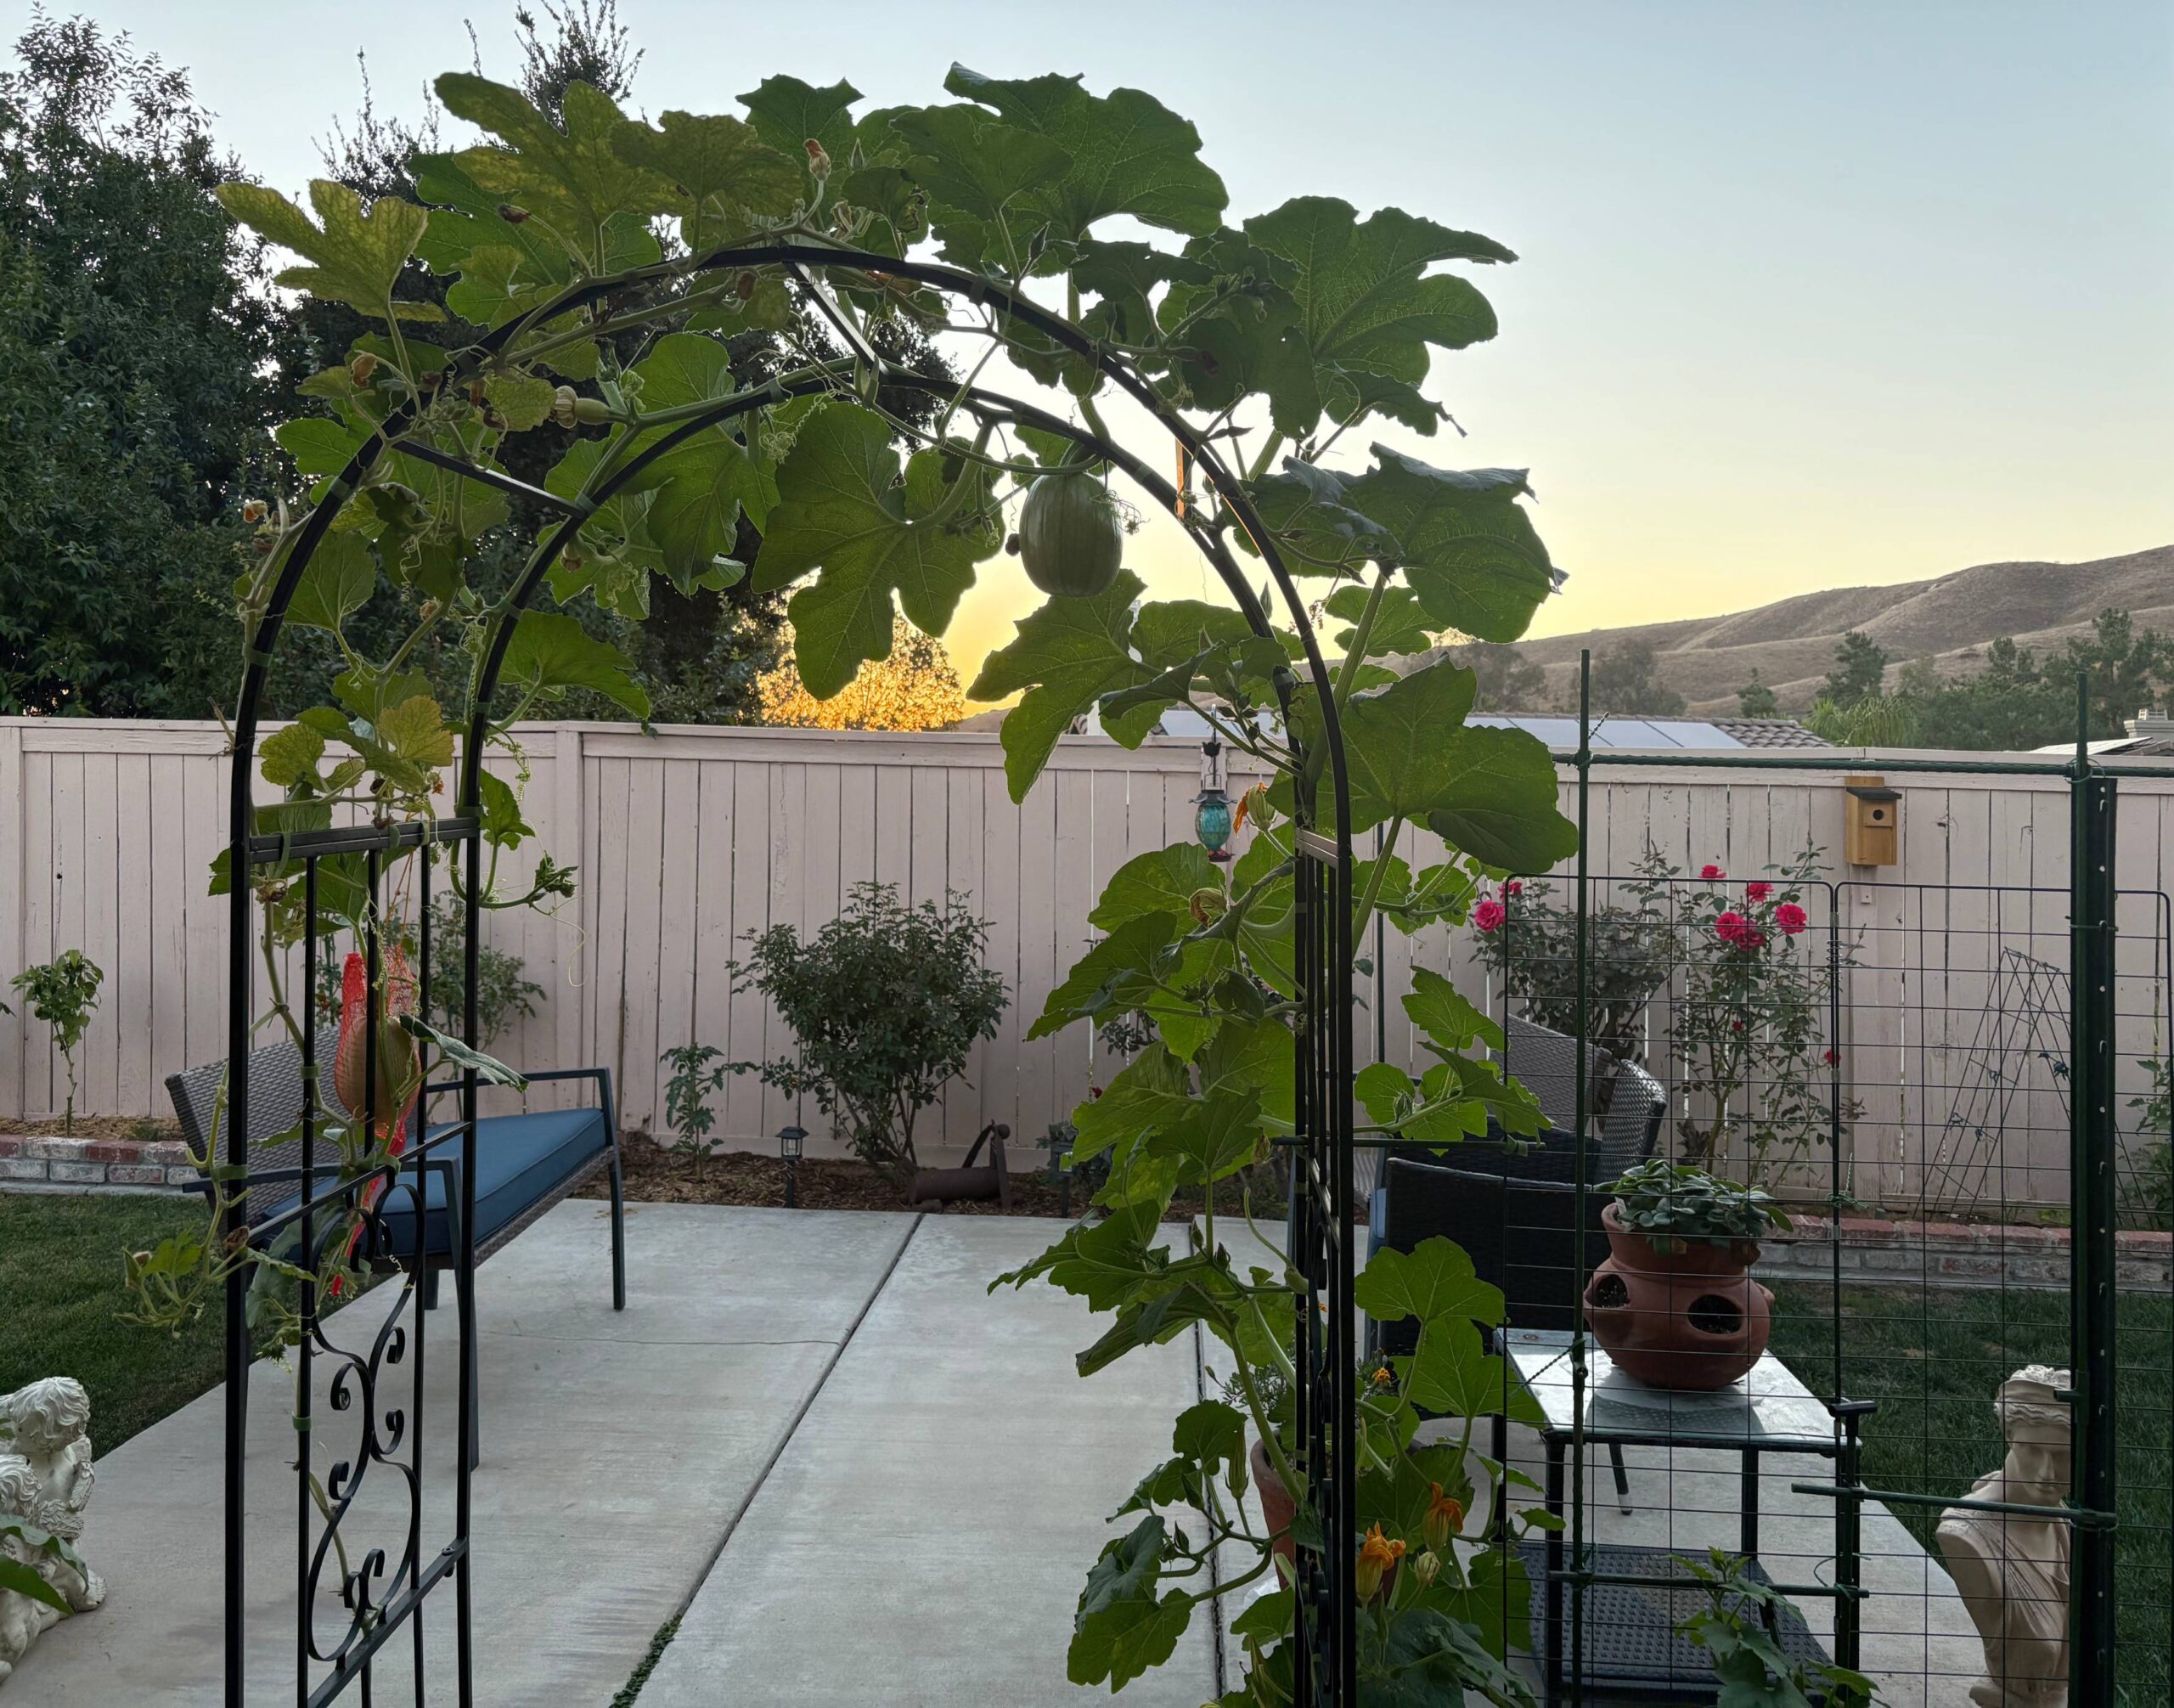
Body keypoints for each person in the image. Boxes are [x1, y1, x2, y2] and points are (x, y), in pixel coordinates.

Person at [1935, 1364, 2071, 1708]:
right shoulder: (1966, 1534)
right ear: (2009, 1438)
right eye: (2031, 1450)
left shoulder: (2065, 1523)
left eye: (2065, 1456)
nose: (2047, 1473)